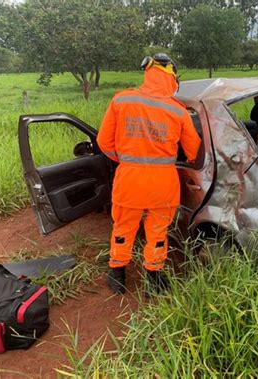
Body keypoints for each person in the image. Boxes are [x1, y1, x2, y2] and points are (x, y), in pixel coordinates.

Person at [97, 53, 201, 295]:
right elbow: (194, 152)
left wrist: (126, 158)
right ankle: (153, 280)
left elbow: (104, 142)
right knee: (157, 233)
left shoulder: (122, 100)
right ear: (171, 77)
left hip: (129, 180)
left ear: (148, 72)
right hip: (163, 184)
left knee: (123, 229)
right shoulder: (177, 111)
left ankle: (118, 277)